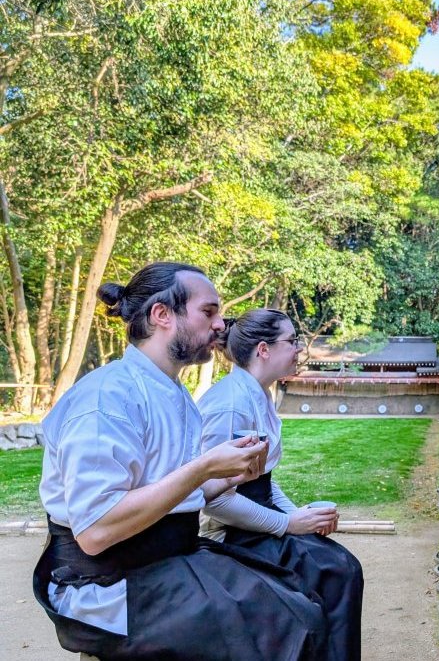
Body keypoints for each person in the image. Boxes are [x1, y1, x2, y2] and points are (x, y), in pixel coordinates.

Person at [32, 262, 328, 660]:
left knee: (302, 607)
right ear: (162, 315)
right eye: (208, 312)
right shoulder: (106, 399)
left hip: (168, 559)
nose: (221, 325)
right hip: (107, 585)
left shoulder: (173, 395)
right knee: (278, 629)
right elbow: (96, 530)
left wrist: (227, 476)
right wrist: (204, 468)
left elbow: (178, 495)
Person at [198, 308, 364, 660]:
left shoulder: (260, 395)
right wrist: (287, 524)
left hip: (255, 517)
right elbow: (213, 499)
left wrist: (302, 517)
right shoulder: (230, 405)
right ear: (263, 349)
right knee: (334, 572)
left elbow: (263, 481)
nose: (299, 349)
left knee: (340, 567)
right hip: (226, 532)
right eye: (292, 341)